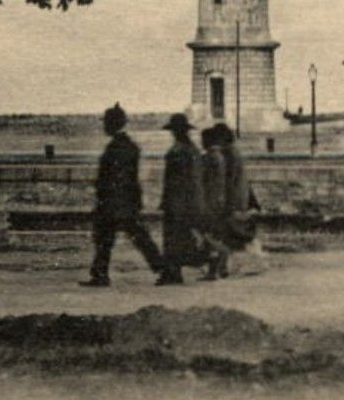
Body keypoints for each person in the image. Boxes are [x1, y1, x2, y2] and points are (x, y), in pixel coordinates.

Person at [82, 104, 174, 287]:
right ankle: (163, 269)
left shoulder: (117, 147)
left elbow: (114, 177)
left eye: (106, 122)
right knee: (134, 237)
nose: (104, 126)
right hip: (125, 200)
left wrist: (105, 198)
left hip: (115, 201)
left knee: (110, 238)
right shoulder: (128, 145)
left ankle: (101, 275)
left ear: (112, 124)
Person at [199, 123, 256, 281]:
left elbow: (226, 181)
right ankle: (221, 268)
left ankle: (218, 267)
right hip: (235, 199)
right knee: (222, 234)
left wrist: (225, 204)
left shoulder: (227, 154)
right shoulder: (233, 152)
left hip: (229, 201)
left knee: (217, 235)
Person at [159, 113, 206, 283]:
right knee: (180, 237)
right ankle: (174, 271)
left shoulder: (179, 151)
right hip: (186, 200)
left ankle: (173, 272)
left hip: (178, 200)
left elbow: (177, 180)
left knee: (174, 237)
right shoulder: (192, 150)